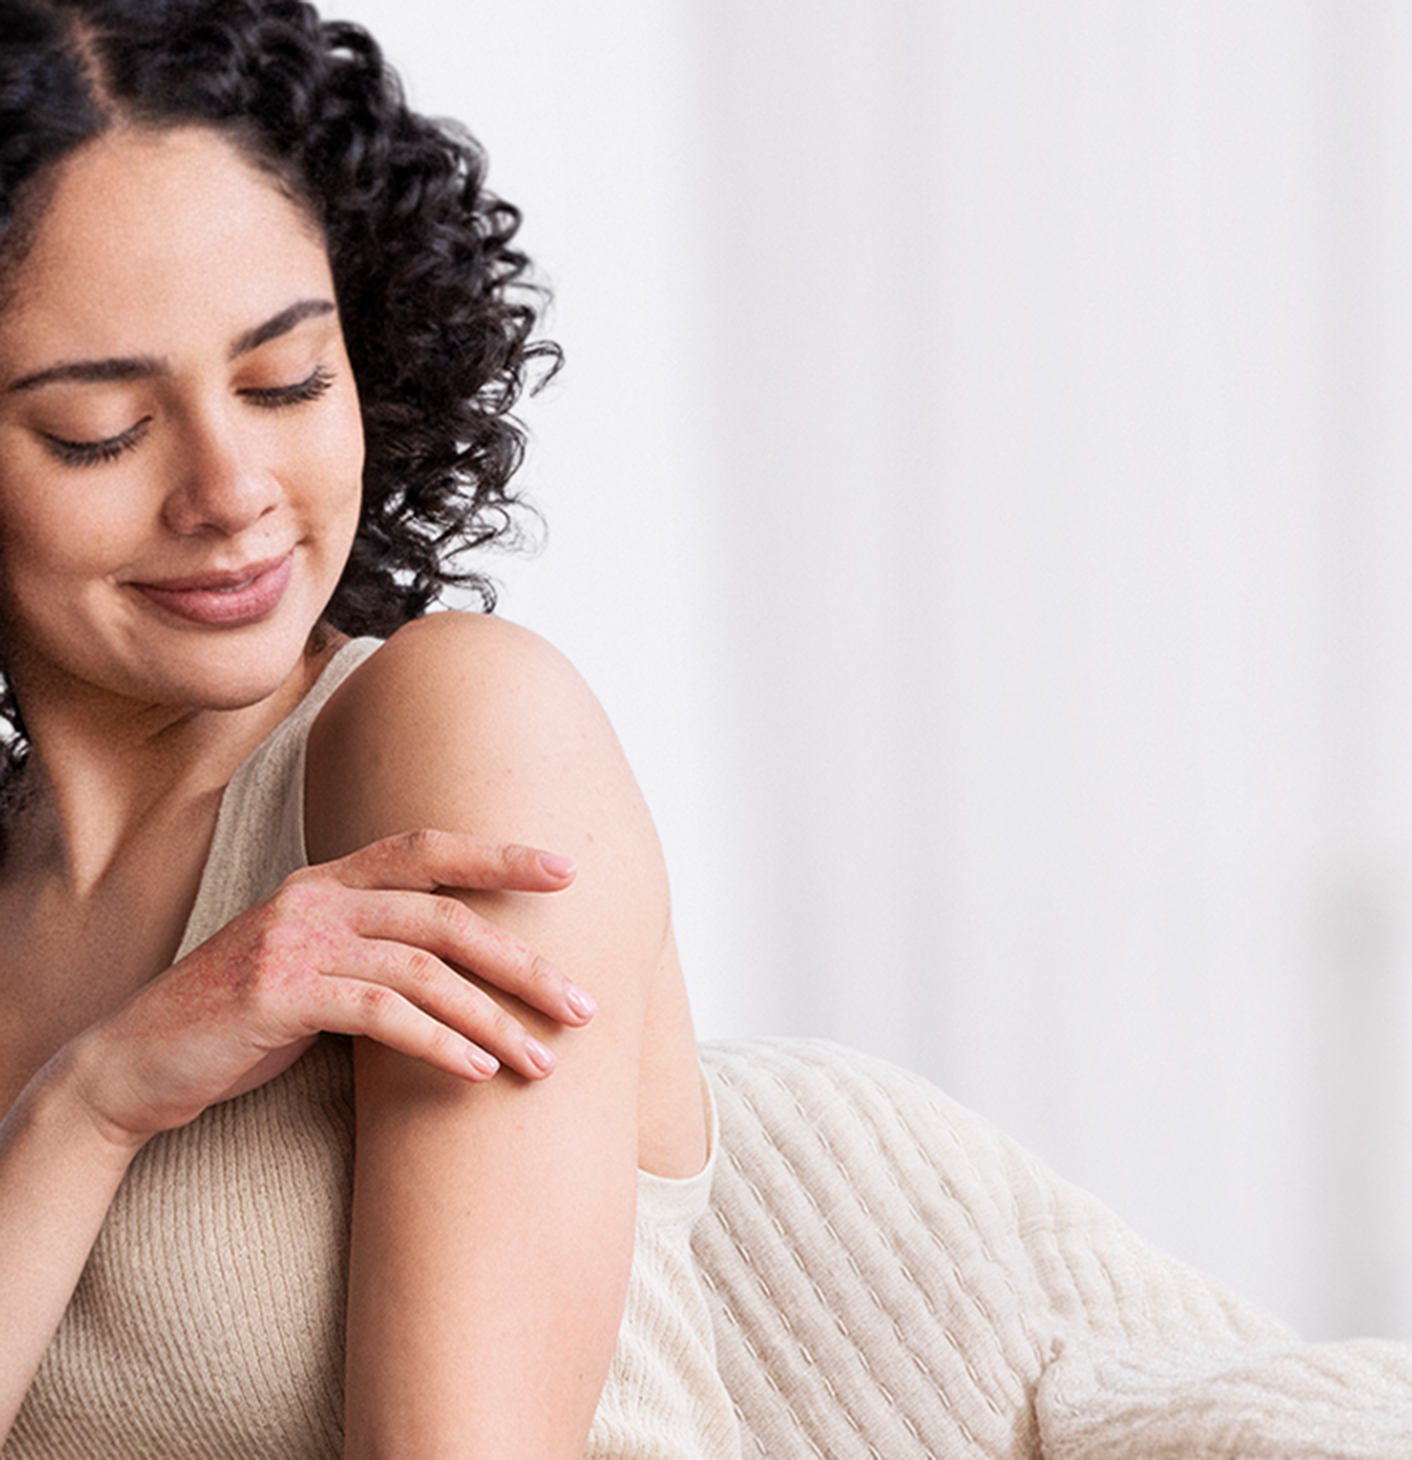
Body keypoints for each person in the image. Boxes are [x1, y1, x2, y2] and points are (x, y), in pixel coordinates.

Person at [0, 0, 741, 1455]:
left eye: (287, 381)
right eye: (100, 427)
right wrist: (85, 1110)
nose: (232, 492)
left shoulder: (455, 728)